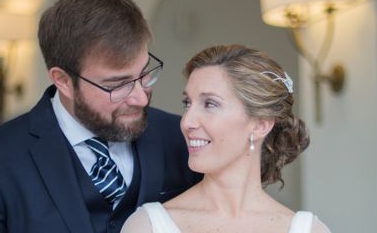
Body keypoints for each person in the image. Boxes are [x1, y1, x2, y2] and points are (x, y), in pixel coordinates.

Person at [0, 0, 201, 233]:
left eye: (145, 74)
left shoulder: (180, 137)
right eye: (117, 84)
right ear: (63, 80)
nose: (140, 99)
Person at [122, 44, 331, 233]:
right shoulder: (148, 226)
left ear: (260, 125)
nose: (187, 122)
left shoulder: (308, 229)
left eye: (210, 104)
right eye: (188, 103)